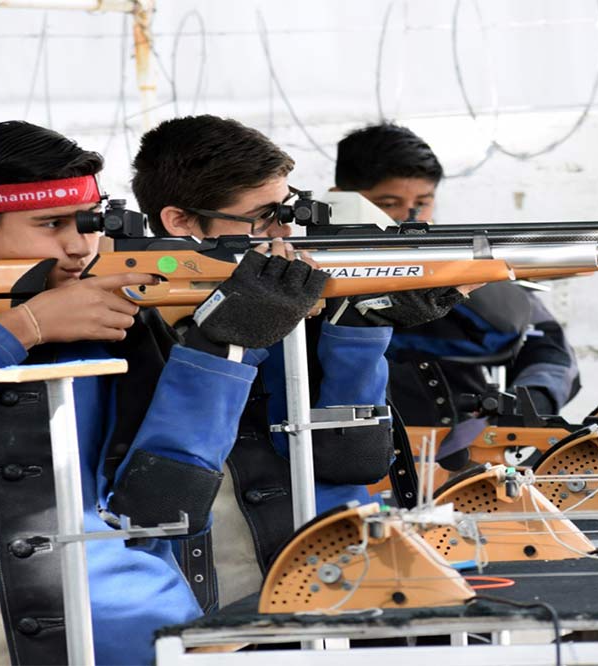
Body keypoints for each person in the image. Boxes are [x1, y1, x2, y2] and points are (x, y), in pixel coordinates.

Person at [0, 121, 324, 665]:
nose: (78, 246)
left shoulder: (134, 320)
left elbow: (166, 495)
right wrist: (18, 331)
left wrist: (221, 346)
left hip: (130, 628)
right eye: (51, 224)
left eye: (89, 223)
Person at [131, 114, 469, 609]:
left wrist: (360, 327)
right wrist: (230, 340)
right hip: (209, 600)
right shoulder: (129, 326)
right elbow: (159, 502)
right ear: (179, 221)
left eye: (286, 209)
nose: (285, 230)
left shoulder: (295, 303)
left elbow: (351, 460)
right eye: (263, 216)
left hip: (325, 580)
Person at [334, 123, 582, 426]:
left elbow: (550, 351)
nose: (409, 217)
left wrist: (524, 406)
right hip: (357, 459)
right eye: (388, 204)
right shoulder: (315, 277)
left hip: (473, 457)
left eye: (422, 203)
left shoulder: (465, 264)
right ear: (341, 199)